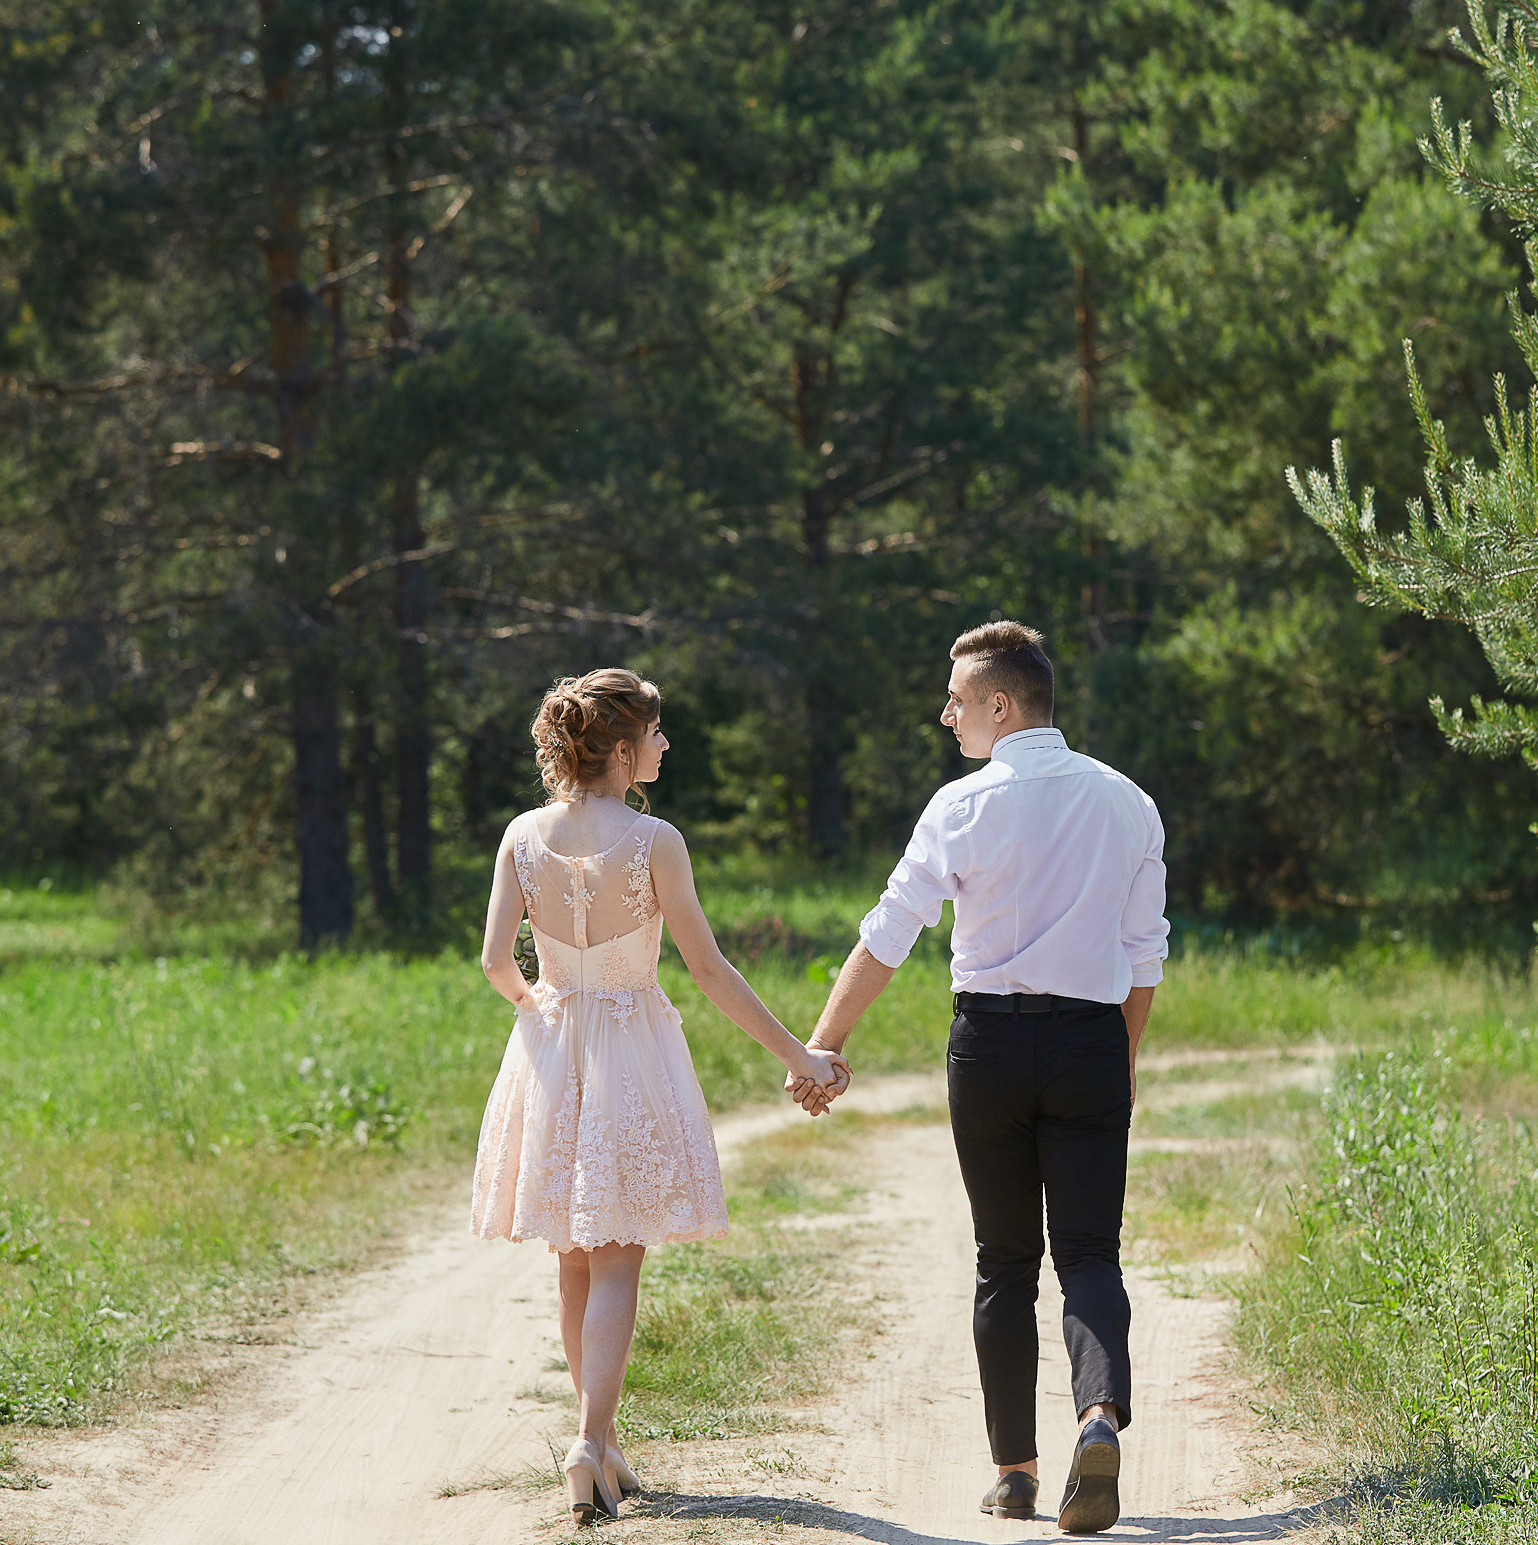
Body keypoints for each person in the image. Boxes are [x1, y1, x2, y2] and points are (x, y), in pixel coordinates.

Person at [786, 621, 1169, 1535]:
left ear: (1002, 704)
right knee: (1089, 1253)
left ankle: (1017, 1475)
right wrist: (1118, 1061)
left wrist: (823, 1045)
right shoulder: (1129, 802)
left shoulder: (959, 806)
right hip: (1089, 1041)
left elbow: (889, 934)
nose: (945, 711)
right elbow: (1144, 957)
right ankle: (1099, 1419)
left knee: (1004, 1260)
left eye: (957, 697)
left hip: (988, 1048)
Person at [471, 668, 848, 1525]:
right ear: (619, 747)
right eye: (657, 731)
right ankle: (589, 1439)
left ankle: (598, 1443)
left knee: (573, 1250)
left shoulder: (520, 835)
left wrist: (545, 1017)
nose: (666, 743)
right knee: (617, 1253)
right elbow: (707, 968)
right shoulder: (655, 840)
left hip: (552, 1041)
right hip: (633, 1047)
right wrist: (799, 1053)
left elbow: (496, 962)